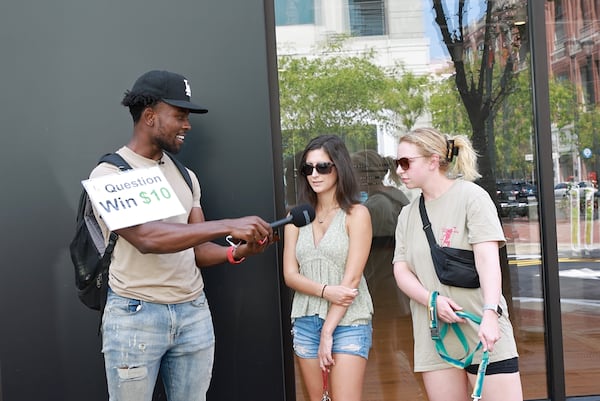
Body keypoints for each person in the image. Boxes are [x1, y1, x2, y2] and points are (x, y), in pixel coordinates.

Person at [89, 70, 274, 401]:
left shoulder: (186, 177)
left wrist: (239, 252)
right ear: (149, 116)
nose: (187, 124)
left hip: (193, 313)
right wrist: (227, 225)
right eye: (179, 115)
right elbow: (146, 238)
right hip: (136, 316)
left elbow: (199, 250)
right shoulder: (109, 173)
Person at [392, 127, 523, 401]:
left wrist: (490, 314)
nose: (400, 170)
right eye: (397, 163)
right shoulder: (407, 213)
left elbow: (488, 260)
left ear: (433, 160)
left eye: (406, 162)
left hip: (482, 329)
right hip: (436, 337)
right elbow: (401, 268)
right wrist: (431, 300)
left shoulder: (471, 197)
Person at [283, 135, 374, 401]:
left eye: (322, 166)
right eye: (307, 168)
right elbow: (290, 274)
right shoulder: (296, 217)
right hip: (305, 319)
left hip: (348, 321)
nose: (314, 174)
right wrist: (324, 291)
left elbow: (352, 280)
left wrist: (327, 331)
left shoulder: (356, 214)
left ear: (339, 167)